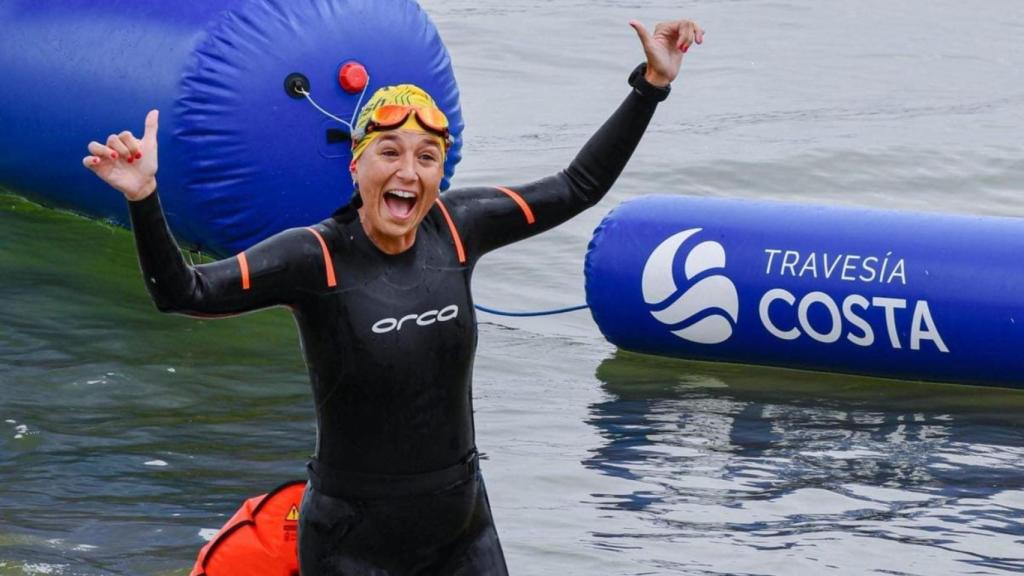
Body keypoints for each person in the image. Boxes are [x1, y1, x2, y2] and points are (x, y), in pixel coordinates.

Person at [83, 17, 703, 576]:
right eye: (390, 152)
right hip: (352, 543)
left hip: (462, 531)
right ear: (356, 166)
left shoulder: (459, 229)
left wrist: (651, 83)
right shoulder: (314, 256)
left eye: (427, 157)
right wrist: (143, 197)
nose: (409, 171)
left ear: (440, 172)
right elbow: (183, 292)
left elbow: (577, 186)